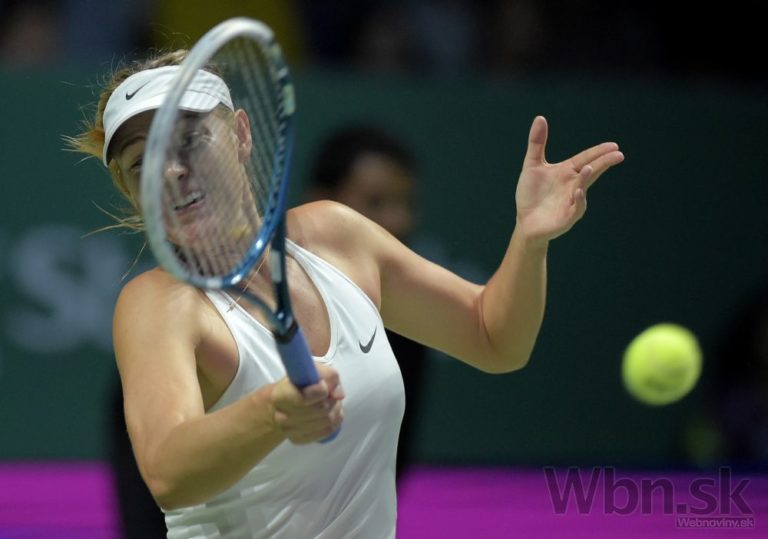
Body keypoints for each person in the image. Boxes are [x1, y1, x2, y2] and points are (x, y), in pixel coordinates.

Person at [68, 49, 624, 537]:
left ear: (241, 134)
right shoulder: (158, 305)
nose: (170, 170)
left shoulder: (337, 236)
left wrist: (529, 241)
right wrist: (271, 411)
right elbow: (168, 472)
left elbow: (493, 338)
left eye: (189, 139)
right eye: (141, 162)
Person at [306, 125, 426, 481]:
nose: (398, 220)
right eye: (376, 202)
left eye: (406, 204)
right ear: (319, 202)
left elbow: (390, 465)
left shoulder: (411, 324)